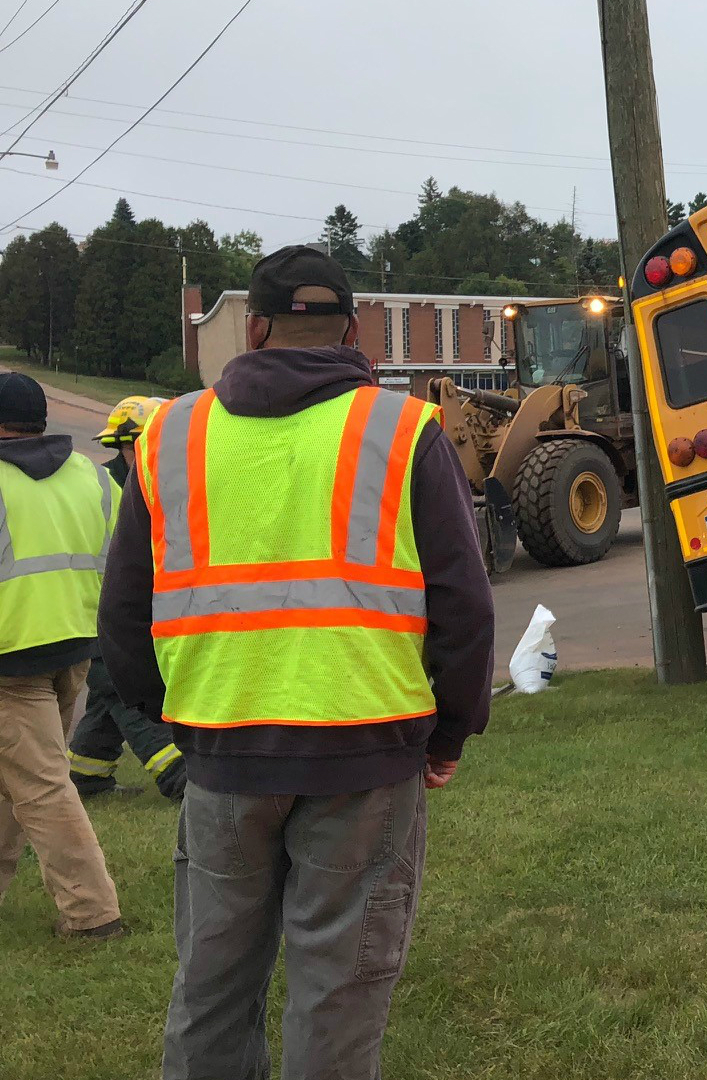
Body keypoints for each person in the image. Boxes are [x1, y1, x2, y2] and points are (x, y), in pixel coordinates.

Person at [98, 246, 496, 1078]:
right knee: (339, 993)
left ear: (255, 328)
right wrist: (449, 731)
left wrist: (177, 717)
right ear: (354, 332)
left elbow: (125, 614)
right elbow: (463, 602)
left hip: (224, 749)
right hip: (365, 752)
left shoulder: (171, 434)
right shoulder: (401, 430)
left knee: (211, 986)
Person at [0, 372, 125, 940]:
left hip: (10, 656)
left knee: (42, 781)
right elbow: (130, 558)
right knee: (19, 773)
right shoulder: (91, 479)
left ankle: (92, 913)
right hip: (76, 644)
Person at [68, 396, 185, 801]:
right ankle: (176, 772)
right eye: (132, 445)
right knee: (124, 691)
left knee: (106, 694)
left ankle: (86, 772)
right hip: (97, 613)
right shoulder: (109, 486)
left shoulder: (164, 482)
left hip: (129, 612)